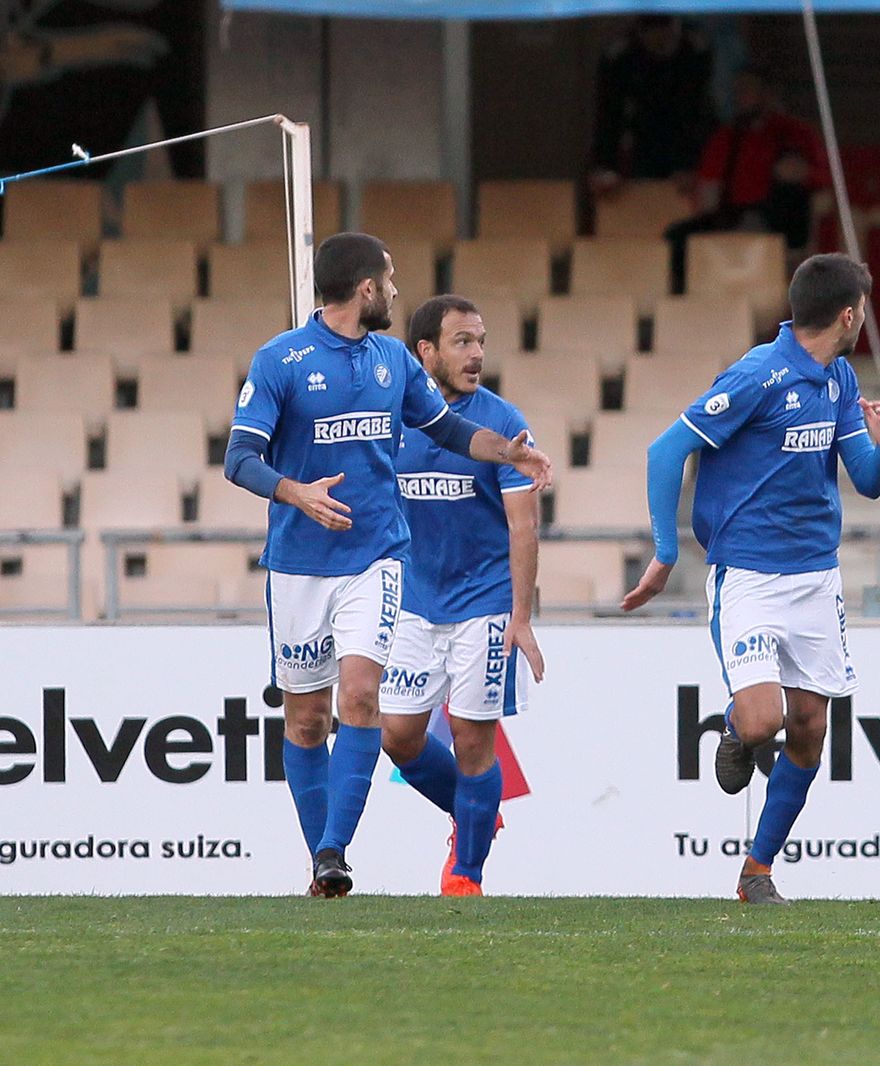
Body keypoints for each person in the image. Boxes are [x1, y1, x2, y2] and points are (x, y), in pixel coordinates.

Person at [224, 233, 551, 898]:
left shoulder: (394, 363)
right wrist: (297, 492)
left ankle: (338, 851)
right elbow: (239, 459)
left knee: (361, 698)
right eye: (391, 279)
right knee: (307, 718)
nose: (398, 292)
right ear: (366, 289)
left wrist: (507, 453)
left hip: (376, 556)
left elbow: (451, 431)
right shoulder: (280, 360)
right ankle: (322, 856)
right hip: (298, 562)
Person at [620, 253, 880, 904]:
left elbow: (869, 482)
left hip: (815, 579)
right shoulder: (758, 375)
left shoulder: (840, 378)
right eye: (865, 309)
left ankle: (757, 871)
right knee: (758, 722)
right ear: (848, 314)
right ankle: (734, 727)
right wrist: (666, 552)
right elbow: (667, 449)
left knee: (809, 728)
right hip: (748, 573)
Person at [377, 295, 547, 897]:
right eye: (462, 342)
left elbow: (523, 525)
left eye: (480, 340)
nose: (476, 354)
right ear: (426, 352)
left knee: (474, 740)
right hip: (414, 604)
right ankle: (476, 812)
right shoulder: (394, 420)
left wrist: (520, 618)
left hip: (485, 602)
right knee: (397, 735)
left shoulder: (502, 422)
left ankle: (466, 875)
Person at [664, 66, 829, 291]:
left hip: (777, 222)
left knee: (791, 196)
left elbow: (826, 178)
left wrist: (804, 174)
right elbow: (708, 185)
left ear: (768, 93)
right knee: (676, 237)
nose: (740, 96)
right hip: (732, 217)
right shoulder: (726, 136)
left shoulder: (798, 133)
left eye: (747, 89)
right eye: (738, 90)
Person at [589, 15, 712, 194]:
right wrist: (606, 168)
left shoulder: (695, 51)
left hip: (684, 144)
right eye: (654, 41)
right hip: (643, 144)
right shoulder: (621, 57)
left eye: (666, 40)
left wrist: (692, 166)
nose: (660, 47)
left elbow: (698, 113)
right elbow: (609, 117)